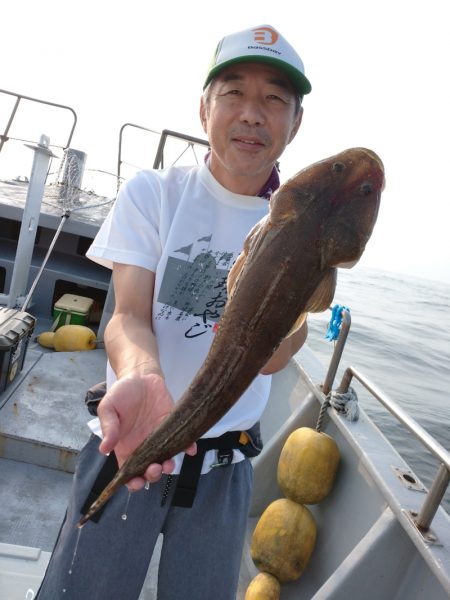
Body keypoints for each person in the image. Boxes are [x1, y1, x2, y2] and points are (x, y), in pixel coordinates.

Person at [36, 24, 311, 600]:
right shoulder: (154, 193)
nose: (252, 114)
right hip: (131, 437)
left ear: (296, 121)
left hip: (224, 465)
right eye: (234, 92)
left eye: (274, 100)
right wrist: (142, 376)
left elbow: (271, 360)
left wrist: (302, 302)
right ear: (205, 106)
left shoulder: (297, 232)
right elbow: (128, 316)